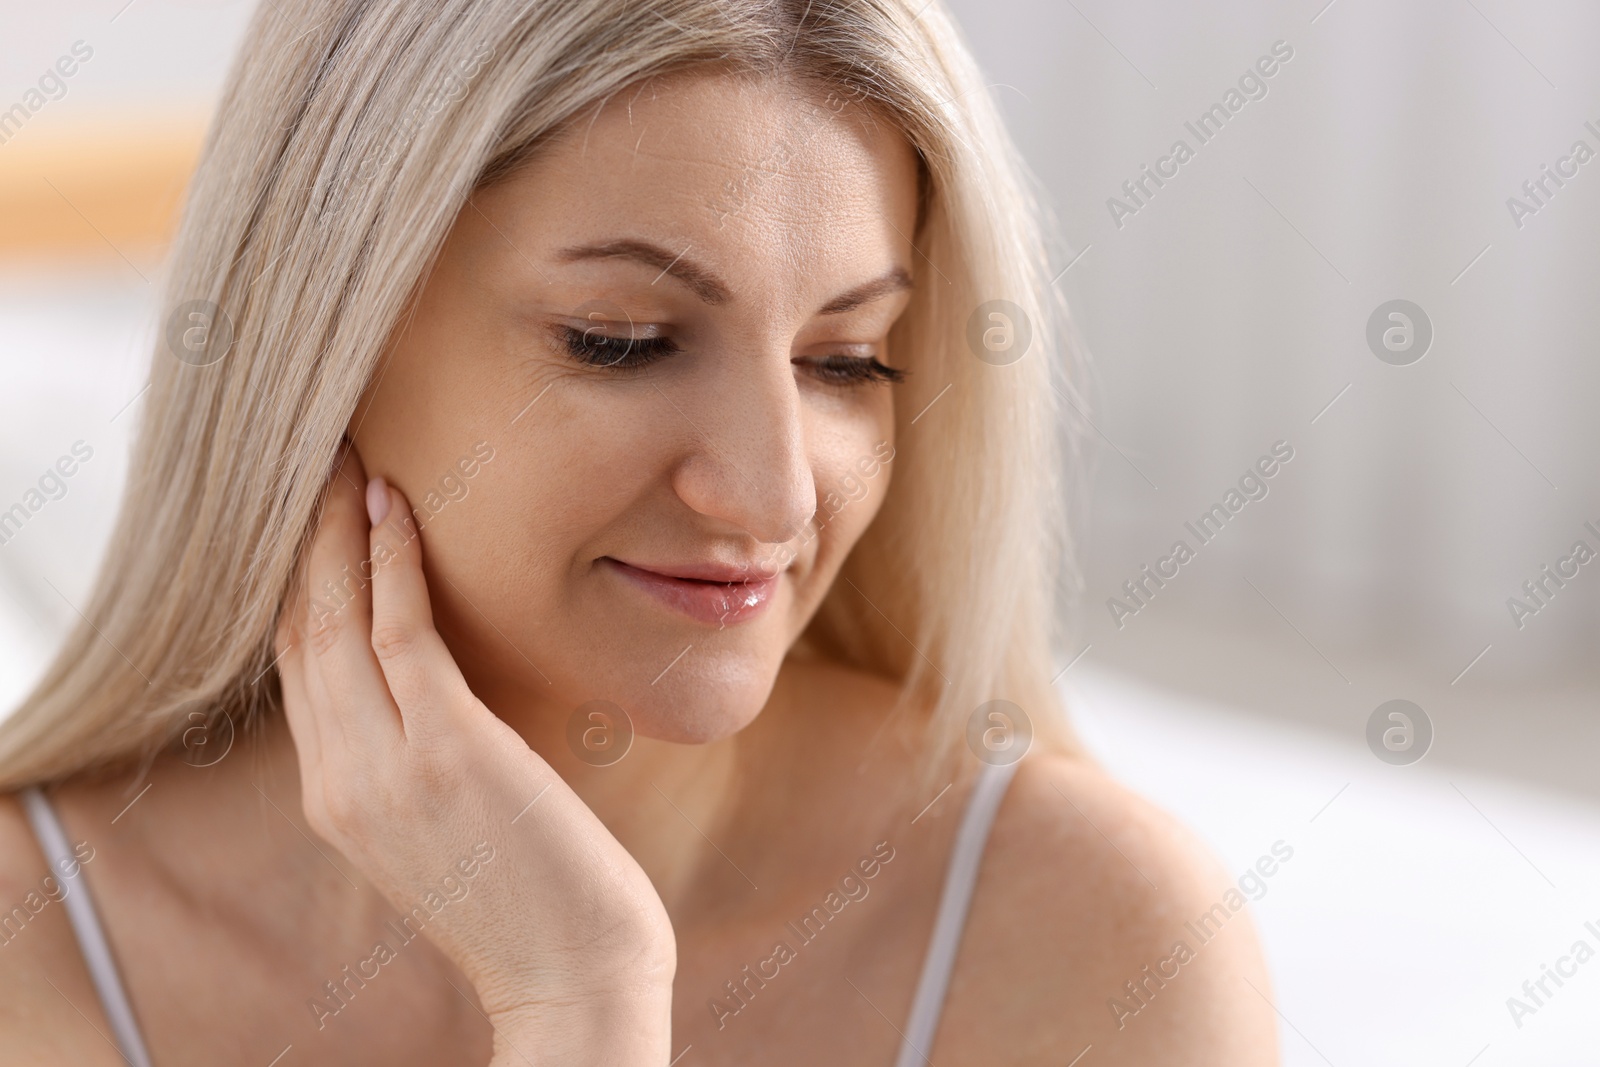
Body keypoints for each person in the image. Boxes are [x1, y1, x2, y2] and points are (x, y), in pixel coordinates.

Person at [0, 0, 1277, 1063]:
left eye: (846, 362)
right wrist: (579, 995)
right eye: (623, 340)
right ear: (325, 345)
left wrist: (578, 995)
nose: (776, 497)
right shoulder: (36, 937)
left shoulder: (1098, 941)